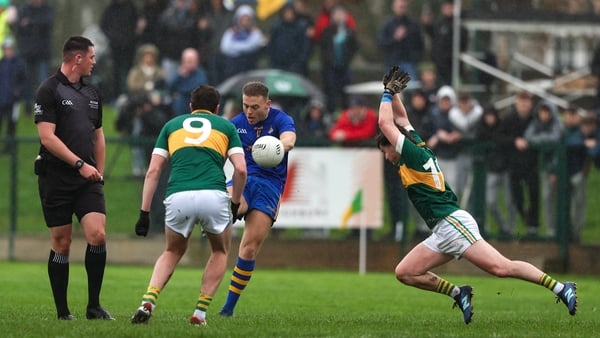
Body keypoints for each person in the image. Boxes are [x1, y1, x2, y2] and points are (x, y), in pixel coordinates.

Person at [376, 66, 577, 324]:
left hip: (453, 223)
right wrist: (394, 93)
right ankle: (459, 293)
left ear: (394, 144)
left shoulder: (411, 154)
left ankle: (561, 288)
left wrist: (386, 93)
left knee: (501, 268)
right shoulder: (416, 143)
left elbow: (385, 122)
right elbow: (401, 120)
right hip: (442, 229)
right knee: (405, 272)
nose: (386, 155)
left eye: (385, 150)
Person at [130, 84, 247, 326]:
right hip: (213, 195)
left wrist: (144, 212)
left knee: (172, 251)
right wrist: (235, 203)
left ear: (190, 107)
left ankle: (148, 301)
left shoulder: (171, 126)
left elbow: (153, 171)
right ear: (217, 108)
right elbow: (241, 169)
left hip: (178, 196)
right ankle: (200, 312)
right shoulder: (226, 126)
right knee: (220, 250)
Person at [34, 36, 113, 320]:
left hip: (87, 180)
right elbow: (47, 137)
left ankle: (94, 306)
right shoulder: (49, 89)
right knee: (62, 242)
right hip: (55, 178)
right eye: (91, 56)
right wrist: (79, 163)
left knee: (98, 234)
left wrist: (98, 171)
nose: (94, 61)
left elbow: (98, 135)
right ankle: (63, 312)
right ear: (77, 58)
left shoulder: (92, 93)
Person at [219, 81, 296, 317]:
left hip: (270, 186)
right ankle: (215, 219)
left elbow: (289, 140)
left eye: (254, 107)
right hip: (244, 180)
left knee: (250, 248)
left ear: (267, 104)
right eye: (245, 106)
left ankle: (228, 309)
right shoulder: (236, 124)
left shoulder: (281, 119)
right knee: (229, 206)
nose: (249, 112)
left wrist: (274, 147)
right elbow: (221, 153)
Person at [524, 100, 563, 238]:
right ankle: (551, 230)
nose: (544, 114)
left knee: (562, 200)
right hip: (546, 168)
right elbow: (528, 137)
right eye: (542, 111)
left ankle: (564, 231)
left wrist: (554, 171)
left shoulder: (558, 123)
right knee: (547, 198)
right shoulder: (536, 123)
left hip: (561, 169)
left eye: (547, 111)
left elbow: (555, 138)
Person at [476, 105, 516, 238]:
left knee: (510, 202)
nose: (490, 119)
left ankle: (510, 231)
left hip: (506, 170)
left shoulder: (503, 128)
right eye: (487, 116)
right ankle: (502, 227)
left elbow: (507, 139)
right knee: (490, 202)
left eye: (492, 116)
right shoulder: (481, 130)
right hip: (492, 170)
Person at [378, 0, 424, 81]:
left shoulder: (413, 25)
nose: (402, 9)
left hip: (409, 63)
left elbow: (420, 44)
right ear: (394, 8)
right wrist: (395, 38)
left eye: (404, 7)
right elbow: (382, 43)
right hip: (392, 64)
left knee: (412, 89)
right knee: (391, 90)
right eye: (400, 7)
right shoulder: (387, 25)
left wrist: (415, 59)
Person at [219, 4, 265, 80]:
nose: (245, 22)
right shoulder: (231, 32)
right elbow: (225, 48)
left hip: (250, 67)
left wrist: (234, 47)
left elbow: (251, 46)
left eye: (247, 19)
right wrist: (241, 48)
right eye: (242, 19)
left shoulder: (255, 32)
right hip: (232, 68)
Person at [0, 37, 27, 154]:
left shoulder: (19, 65)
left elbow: (24, 81)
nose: (8, 51)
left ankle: (10, 148)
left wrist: (19, 91)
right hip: (2, 99)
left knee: (12, 125)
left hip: (13, 100)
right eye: (6, 49)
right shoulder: (1, 64)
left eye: (10, 49)